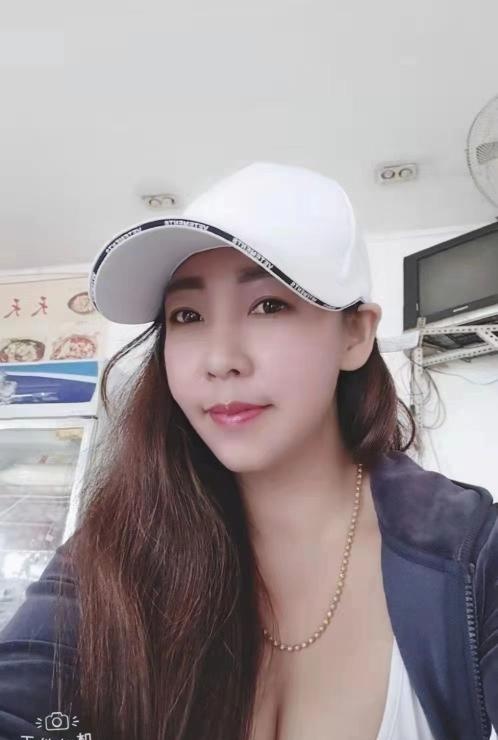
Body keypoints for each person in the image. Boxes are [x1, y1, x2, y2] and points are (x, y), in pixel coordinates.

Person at [0, 161, 496, 740]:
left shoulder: (467, 552)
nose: (219, 359)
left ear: (355, 334)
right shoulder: (116, 547)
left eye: (268, 306)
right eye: (187, 316)